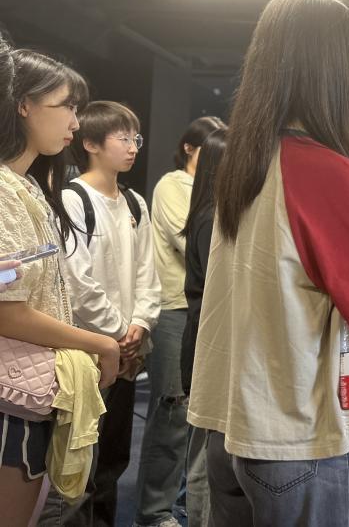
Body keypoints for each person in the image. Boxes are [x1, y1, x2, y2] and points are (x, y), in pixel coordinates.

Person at [187, 0, 349, 527]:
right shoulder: (327, 171)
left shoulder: (244, 162)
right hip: (302, 432)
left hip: (229, 424)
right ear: (336, 75)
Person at [0, 48, 120, 527]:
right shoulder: (5, 189)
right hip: (12, 389)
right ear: (23, 105)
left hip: (27, 382)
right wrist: (100, 343)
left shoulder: (26, 185)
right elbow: (7, 310)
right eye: (66, 105)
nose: (75, 120)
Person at [42, 101, 161, 526]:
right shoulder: (73, 200)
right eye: (123, 138)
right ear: (91, 143)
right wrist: (118, 333)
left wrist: (140, 325)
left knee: (113, 460)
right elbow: (77, 281)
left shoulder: (135, 202)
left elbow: (149, 273)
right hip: (88, 351)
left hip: (127, 351)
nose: (133, 147)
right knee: (77, 466)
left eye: (136, 138)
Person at [135, 115, 224, 527]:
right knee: (172, 412)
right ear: (191, 148)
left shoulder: (219, 196)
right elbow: (187, 240)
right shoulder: (174, 185)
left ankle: (184, 504)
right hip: (175, 307)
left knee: (198, 420)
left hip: (204, 311)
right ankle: (154, 513)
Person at [178, 126, 227, 527]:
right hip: (207, 346)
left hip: (208, 343)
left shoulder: (213, 213)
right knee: (202, 459)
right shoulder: (212, 218)